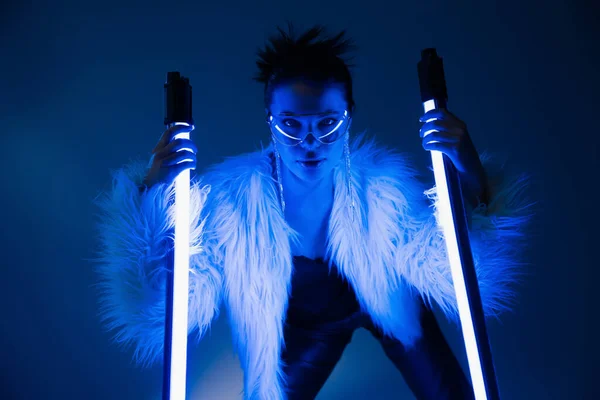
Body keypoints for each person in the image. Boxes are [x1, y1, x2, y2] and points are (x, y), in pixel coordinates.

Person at [94, 24, 532, 400]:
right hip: (309, 322)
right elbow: (163, 306)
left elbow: (465, 272)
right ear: (270, 120)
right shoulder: (232, 206)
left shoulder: (382, 192)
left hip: (390, 296)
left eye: (326, 124)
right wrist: (153, 190)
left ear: (348, 117)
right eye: (291, 124)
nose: (309, 141)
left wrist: (466, 163)